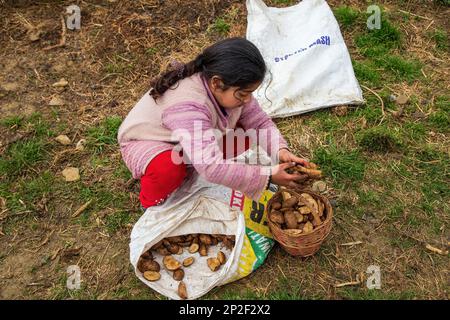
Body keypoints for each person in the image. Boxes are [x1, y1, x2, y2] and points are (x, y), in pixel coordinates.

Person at [117, 37, 309, 209]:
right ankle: (150, 201)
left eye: (251, 93)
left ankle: (191, 165)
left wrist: (280, 151)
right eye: (243, 94)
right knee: (168, 169)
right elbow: (211, 167)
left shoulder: (225, 87)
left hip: (185, 137)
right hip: (147, 142)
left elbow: (259, 123)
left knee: (244, 134)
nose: (248, 100)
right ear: (217, 83)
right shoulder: (190, 106)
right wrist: (267, 177)